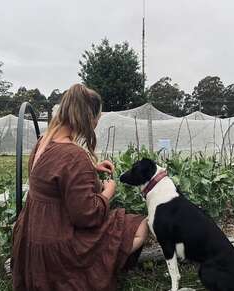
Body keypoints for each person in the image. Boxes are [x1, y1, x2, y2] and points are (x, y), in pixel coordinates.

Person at [12, 84, 148, 291]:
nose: (95, 125)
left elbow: (53, 174)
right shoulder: (74, 156)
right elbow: (86, 216)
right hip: (58, 248)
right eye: (96, 119)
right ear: (88, 117)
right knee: (139, 227)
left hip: (32, 238)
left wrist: (91, 167)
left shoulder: (44, 141)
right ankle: (91, 273)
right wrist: (108, 191)